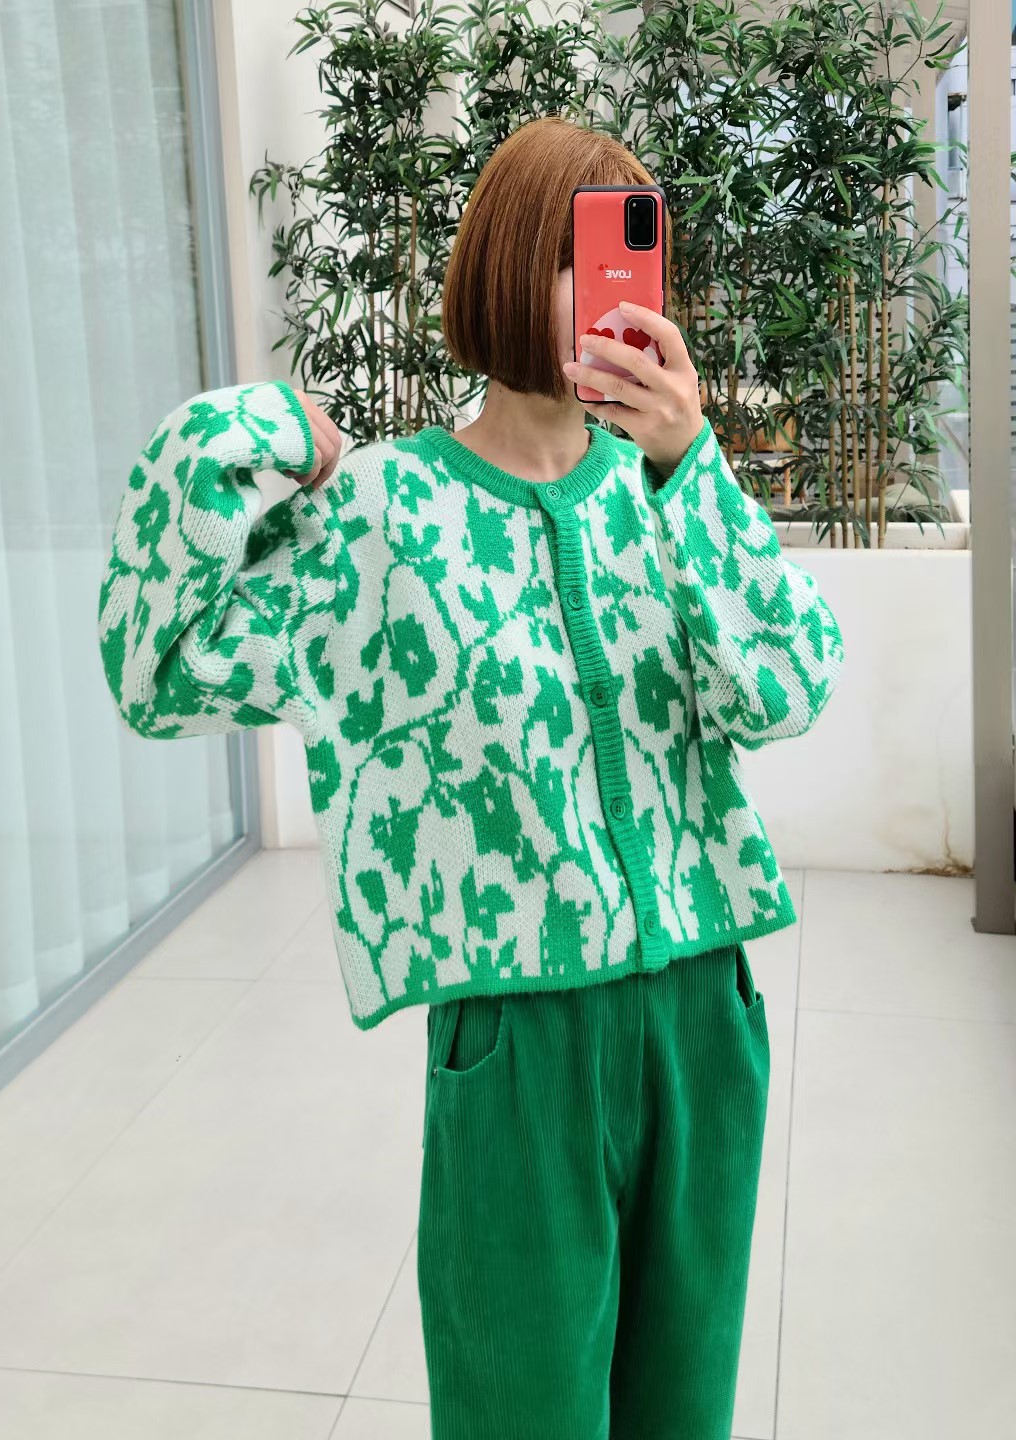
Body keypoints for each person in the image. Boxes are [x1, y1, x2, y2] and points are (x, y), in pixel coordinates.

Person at [97, 115, 844, 1439]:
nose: (615, 292)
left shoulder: (667, 493)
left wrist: (692, 469)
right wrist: (256, 426)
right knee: (522, 1413)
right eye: (579, 256)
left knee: (685, 1414)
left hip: (704, 1019)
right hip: (516, 1046)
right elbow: (156, 667)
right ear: (506, 263)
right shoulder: (386, 515)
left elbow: (788, 689)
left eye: (632, 258)